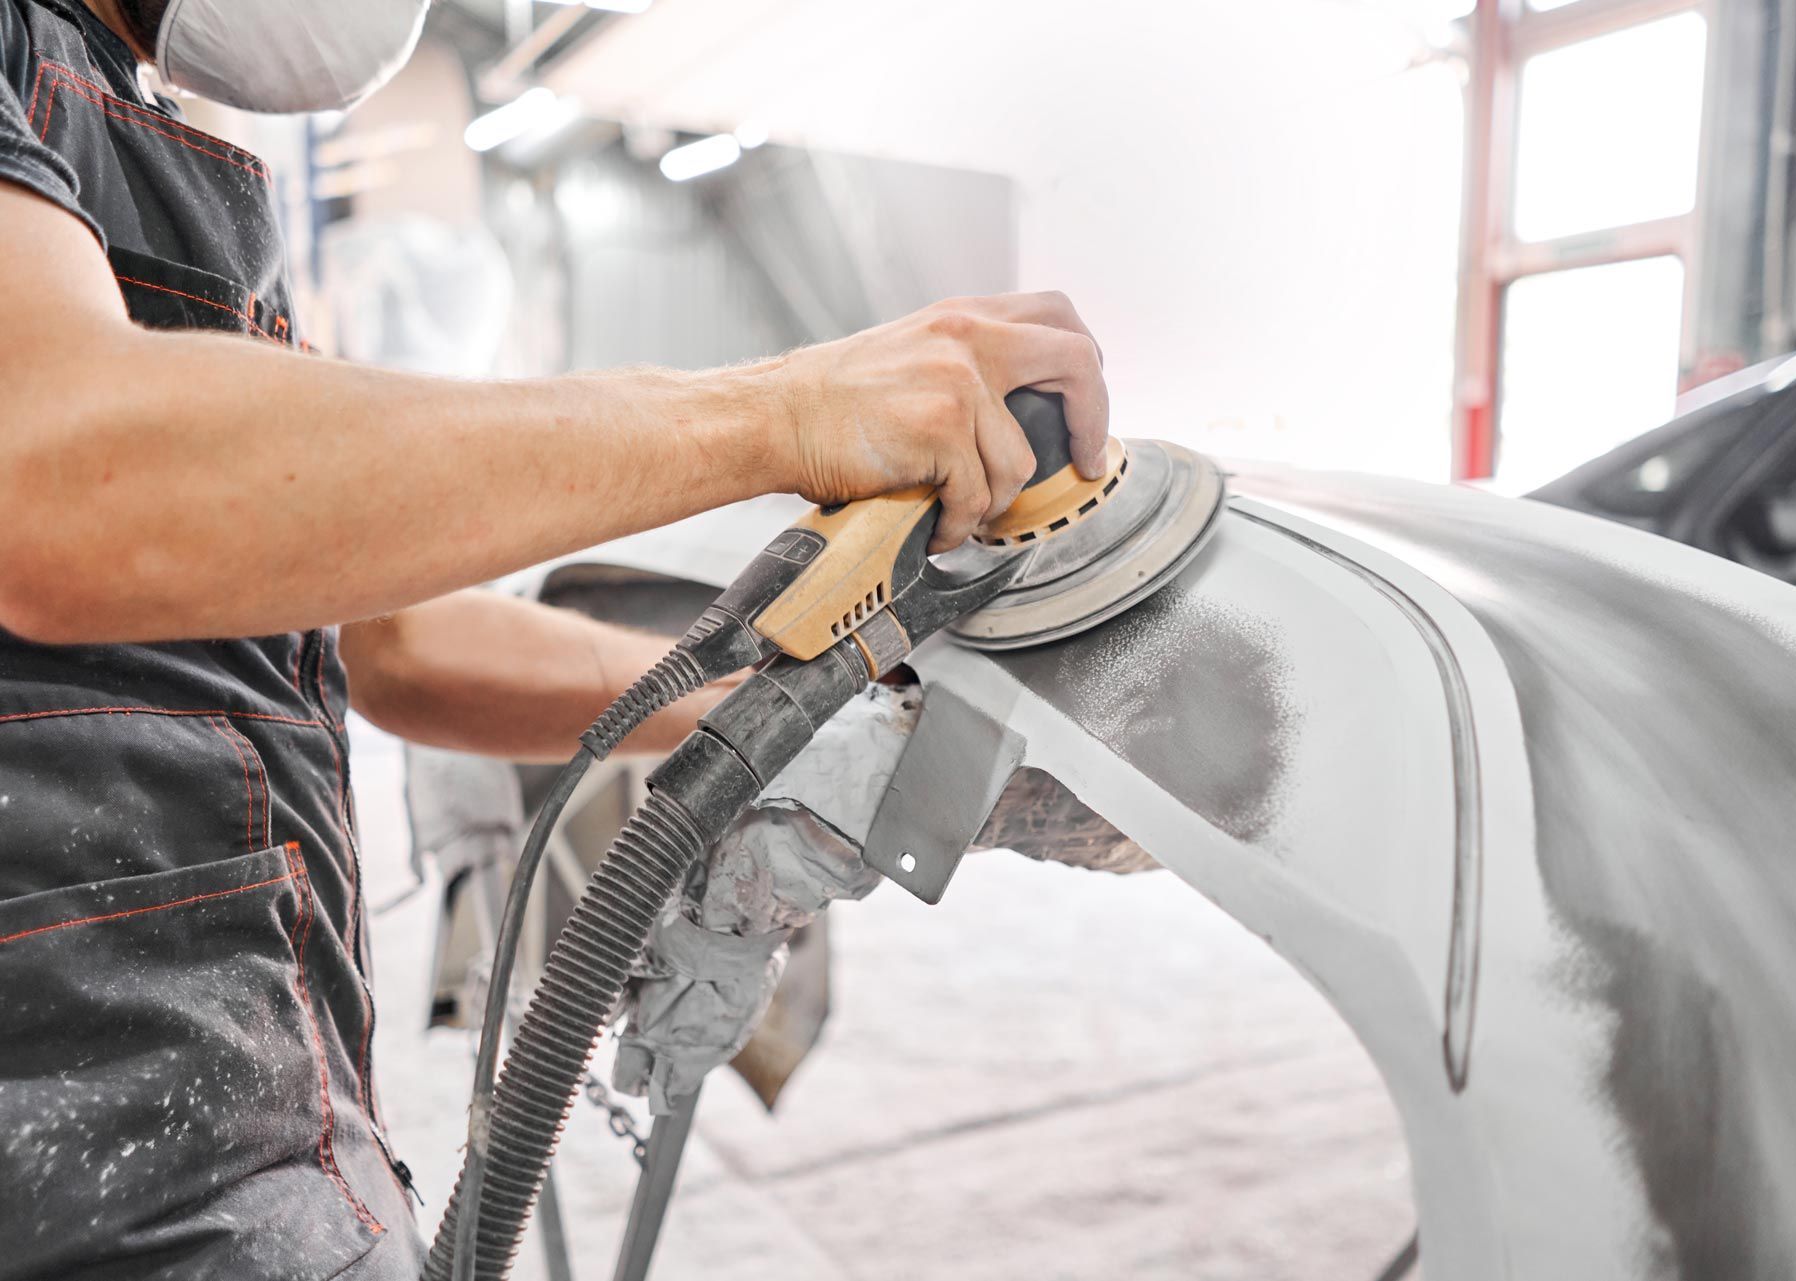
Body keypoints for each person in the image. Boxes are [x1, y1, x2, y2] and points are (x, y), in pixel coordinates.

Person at [0, 0, 1110, 1276]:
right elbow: (70, 488)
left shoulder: (115, 130)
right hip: (72, 1177)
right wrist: (777, 413)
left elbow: (394, 640)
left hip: (241, 1136)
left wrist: (800, 731)